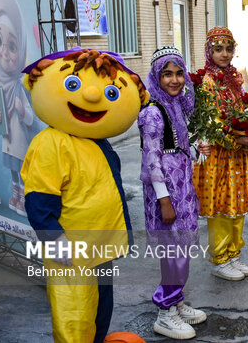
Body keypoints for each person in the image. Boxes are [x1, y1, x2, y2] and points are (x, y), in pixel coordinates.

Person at [21, 48, 149, 342]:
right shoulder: (52, 142)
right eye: (74, 85)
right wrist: (54, 239)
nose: (92, 96)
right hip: (72, 252)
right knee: (75, 316)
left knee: (99, 311)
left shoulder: (95, 140)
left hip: (99, 247)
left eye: (110, 93)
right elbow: (39, 198)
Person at [138, 47, 209, 340]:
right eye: (167, 74)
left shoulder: (175, 105)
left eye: (179, 73)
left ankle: (176, 301)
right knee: (172, 251)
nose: (175, 79)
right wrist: (164, 200)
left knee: (183, 247)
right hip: (166, 192)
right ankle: (165, 313)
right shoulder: (152, 112)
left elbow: (176, 146)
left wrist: (195, 150)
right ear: (156, 76)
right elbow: (152, 159)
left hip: (182, 186)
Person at [193, 27, 248, 281]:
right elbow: (212, 125)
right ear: (208, 51)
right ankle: (219, 258)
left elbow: (239, 115)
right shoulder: (208, 81)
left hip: (237, 154)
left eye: (229, 48)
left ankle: (234, 254)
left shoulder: (233, 78)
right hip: (219, 155)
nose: (224, 54)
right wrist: (241, 139)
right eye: (218, 49)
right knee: (222, 208)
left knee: (238, 204)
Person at [0, 0, 35, 216]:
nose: (4, 53)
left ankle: (23, 195)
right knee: (10, 164)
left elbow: (30, 117)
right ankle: (15, 193)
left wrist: (21, 109)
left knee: (19, 164)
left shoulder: (21, 85)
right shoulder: (0, 87)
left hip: (19, 137)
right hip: (7, 137)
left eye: (12, 46)